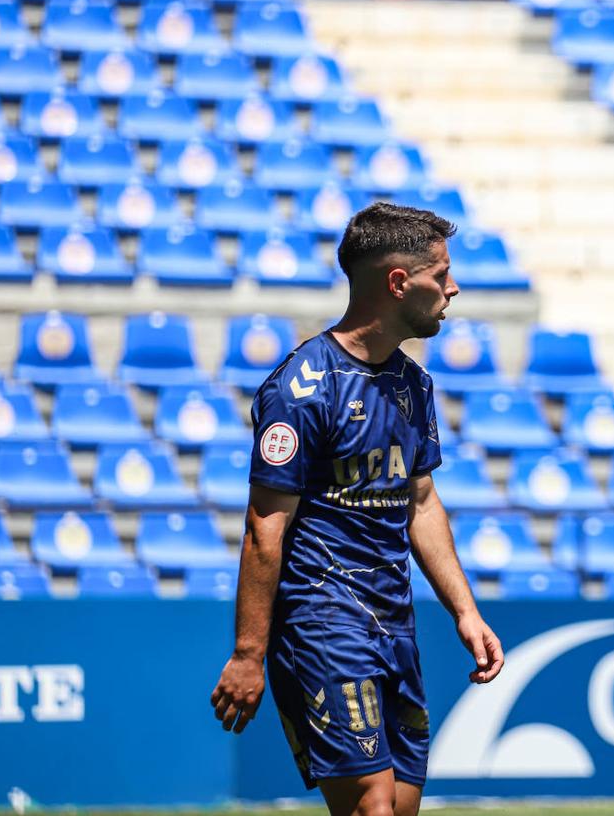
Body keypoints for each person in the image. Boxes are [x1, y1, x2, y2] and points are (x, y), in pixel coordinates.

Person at [210, 203, 504, 816]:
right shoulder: (300, 389)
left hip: (393, 622)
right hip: (322, 619)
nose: (452, 288)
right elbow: (265, 528)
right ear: (399, 282)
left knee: (399, 804)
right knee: (371, 805)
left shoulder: (412, 384)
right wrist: (248, 652)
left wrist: (466, 612)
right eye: (441, 273)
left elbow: (421, 502)